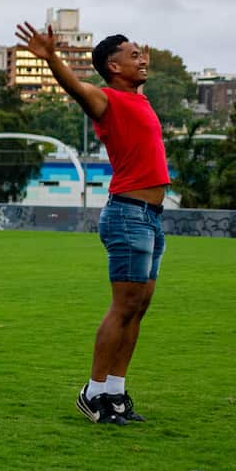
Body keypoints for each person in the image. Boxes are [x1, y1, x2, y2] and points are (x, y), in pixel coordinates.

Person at [15, 22, 168, 425]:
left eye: (142, 54)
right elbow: (77, 90)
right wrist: (52, 60)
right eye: (134, 56)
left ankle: (116, 394)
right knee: (123, 307)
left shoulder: (140, 99)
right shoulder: (107, 101)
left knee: (138, 308)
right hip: (127, 214)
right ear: (113, 67)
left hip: (151, 217)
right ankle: (93, 390)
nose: (143, 60)